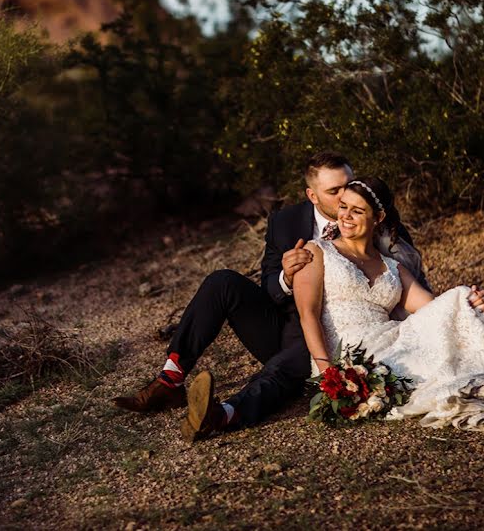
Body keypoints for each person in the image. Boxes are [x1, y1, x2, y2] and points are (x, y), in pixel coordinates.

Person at [112, 152, 443, 441]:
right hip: (284, 321)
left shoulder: (385, 229)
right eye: (335, 192)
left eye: (350, 184)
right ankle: (170, 379)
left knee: (286, 364)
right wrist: (286, 275)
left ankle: (223, 414)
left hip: (339, 334)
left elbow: (412, 288)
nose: (347, 197)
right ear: (312, 195)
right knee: (222, 281)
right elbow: (269, 286)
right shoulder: (286, 222)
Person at [291, 176, 484, 431]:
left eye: (357, 211)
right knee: (438, 378)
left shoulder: (391, 267)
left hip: (391, 338)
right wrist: (329, 371)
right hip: (352, 357)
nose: (345, 216)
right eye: (343, 207)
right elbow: (308, 315)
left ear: (377, 217)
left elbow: (436, 309)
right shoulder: (318, 252)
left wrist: (471, 304)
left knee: (464, 301)